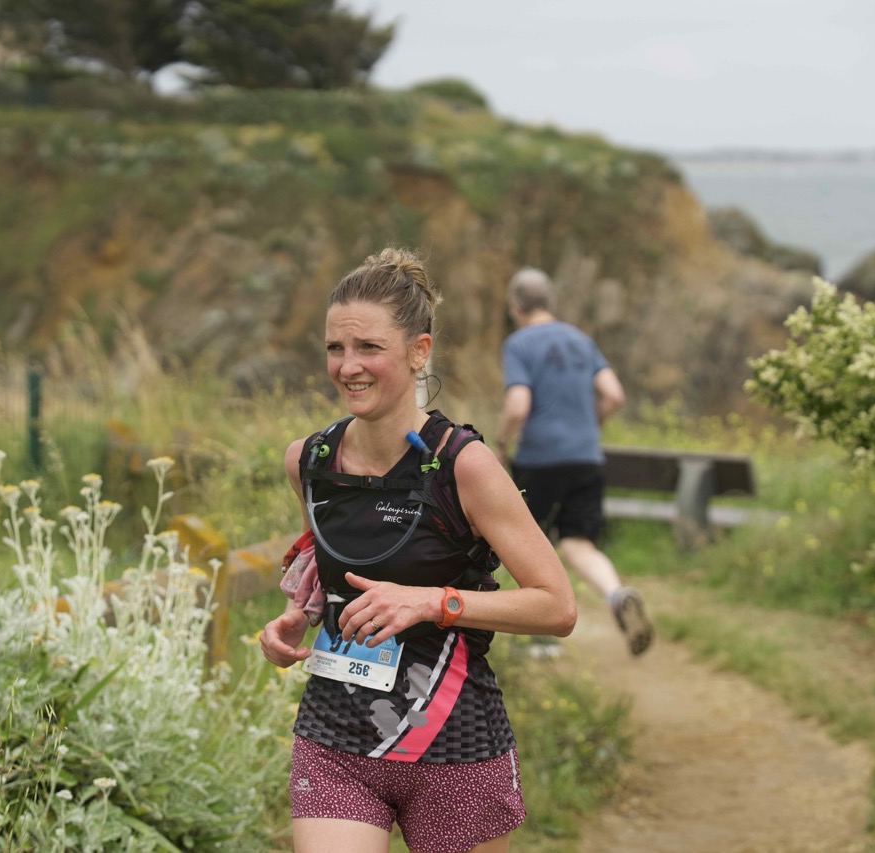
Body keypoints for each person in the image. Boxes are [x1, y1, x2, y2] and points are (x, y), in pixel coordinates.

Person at [260, 248, 577, 853]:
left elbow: (557, 606)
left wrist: (432, 602)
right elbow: (330, 572)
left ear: (418, 351)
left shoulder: (464, 465)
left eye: (369, 347)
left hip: (452, 744)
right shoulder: (309, 461)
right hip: (335, 739)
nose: (348, 366)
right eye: (335, 348)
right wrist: (296, 617)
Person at [494, 266, 653, 657]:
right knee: (578, 542)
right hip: (586, 458)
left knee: (529, 547)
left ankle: (540, 636)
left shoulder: (519, 344)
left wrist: (500, 442)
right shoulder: (582, 340)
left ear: (515, 306)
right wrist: (587, 427)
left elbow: (518, 405)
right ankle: (616, 594)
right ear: (550, 301)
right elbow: (614, 394)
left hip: (539, 460)